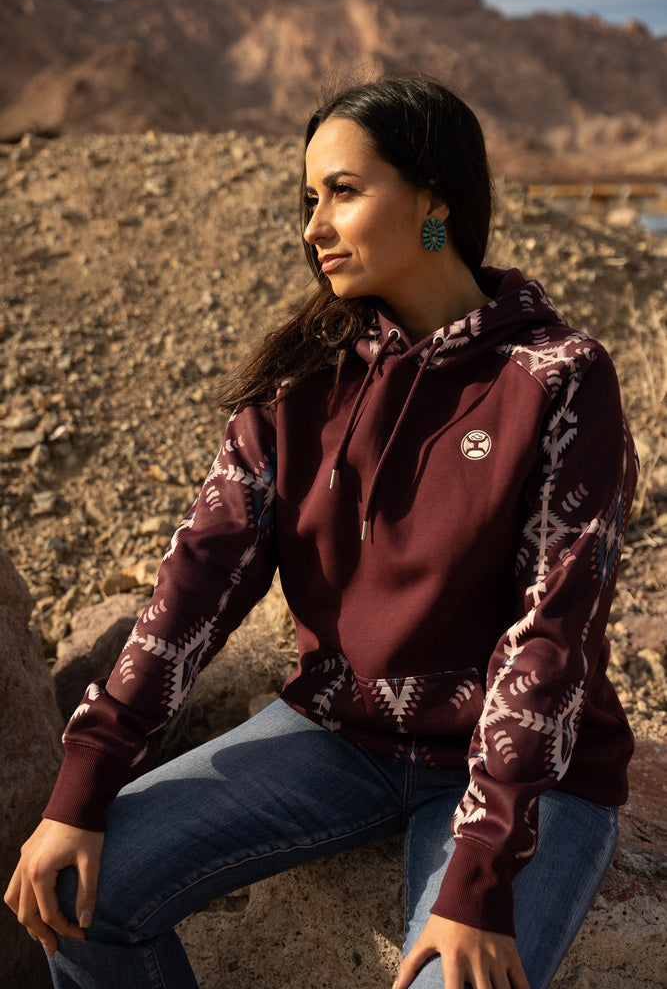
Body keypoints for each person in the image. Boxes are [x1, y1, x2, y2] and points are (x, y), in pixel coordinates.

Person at [5, 75, 637, 989]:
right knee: (77, 899)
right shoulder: (299, 385)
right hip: (337, 740)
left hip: (527, 777)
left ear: (432, 199)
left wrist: (478, 873)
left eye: (343, 191)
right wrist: (84, 786)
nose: (313, 225)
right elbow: (191, 592)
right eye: (308, 199)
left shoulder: (557, 376)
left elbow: (550, 637)